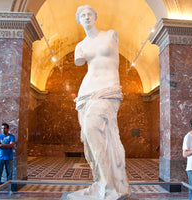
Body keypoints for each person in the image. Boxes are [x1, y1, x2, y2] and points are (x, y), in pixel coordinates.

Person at [67, 5, 130, 200]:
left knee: (92, 127)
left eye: (89, 14)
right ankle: (102, 182)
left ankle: (109, 184)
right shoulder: (80, 46)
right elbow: (81, 62)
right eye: (82, 15)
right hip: (86, 93)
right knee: (89, 135)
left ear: (95, 16)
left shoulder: (111, 35)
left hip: (109, 90)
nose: (86, 17)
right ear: (79, 20)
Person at [0, 123, 15, 188]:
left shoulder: (11, 136)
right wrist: (6, 146)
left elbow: (12, 145)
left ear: (8, 129)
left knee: (9, 174)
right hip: (0, 157)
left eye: (4, 128)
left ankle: (9, 188)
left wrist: (2, 145)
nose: (3, 130)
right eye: (2, 128)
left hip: (9, 157)